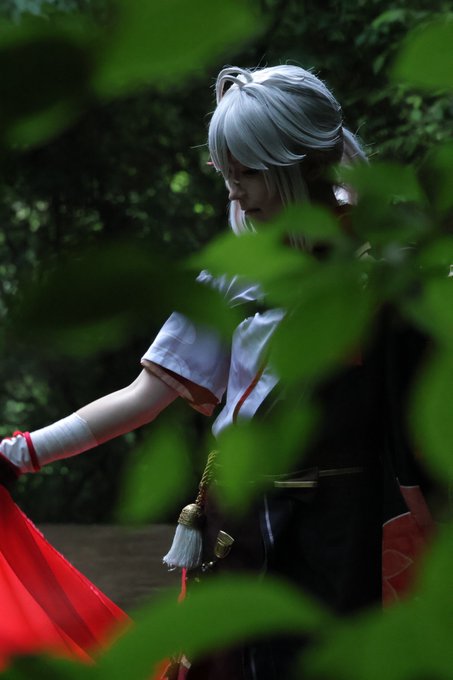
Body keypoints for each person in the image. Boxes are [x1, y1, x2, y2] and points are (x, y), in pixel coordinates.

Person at [0, 65, 433, 679]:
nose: (235, 193)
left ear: (304, 163)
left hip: (349, 533)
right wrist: (21, 453)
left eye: (248, 173)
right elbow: (144, 396)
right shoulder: (232, 274)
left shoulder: (389, 270)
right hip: (239, 526)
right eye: (227, 175)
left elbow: (415, 426)